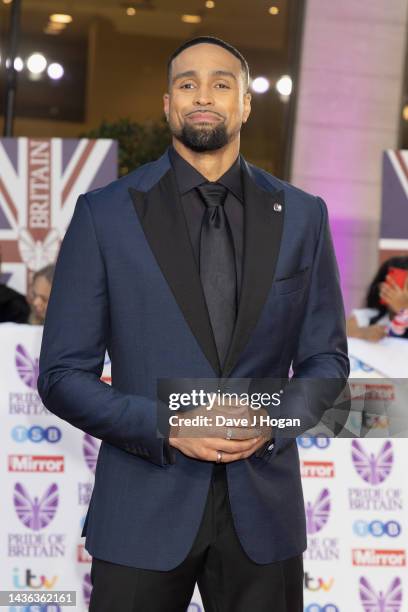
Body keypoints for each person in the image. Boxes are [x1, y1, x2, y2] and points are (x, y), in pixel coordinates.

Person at [37, 36, 349, 612]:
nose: (203, 96)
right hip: (140, 513)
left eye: (222, 83)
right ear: (167, 103)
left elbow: (326, 361)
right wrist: (169, 426)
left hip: (264, 516)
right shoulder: (104, 214)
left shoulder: (304, 216)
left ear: (246, 103)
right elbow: (60, 375)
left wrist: (273, 421)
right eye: (187, 84)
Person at [346, 256, 408, 341]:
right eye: (398, 284)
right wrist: (363, 333)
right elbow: (340, 332)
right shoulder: (369, 317)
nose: (403, 294)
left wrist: (403, 310)